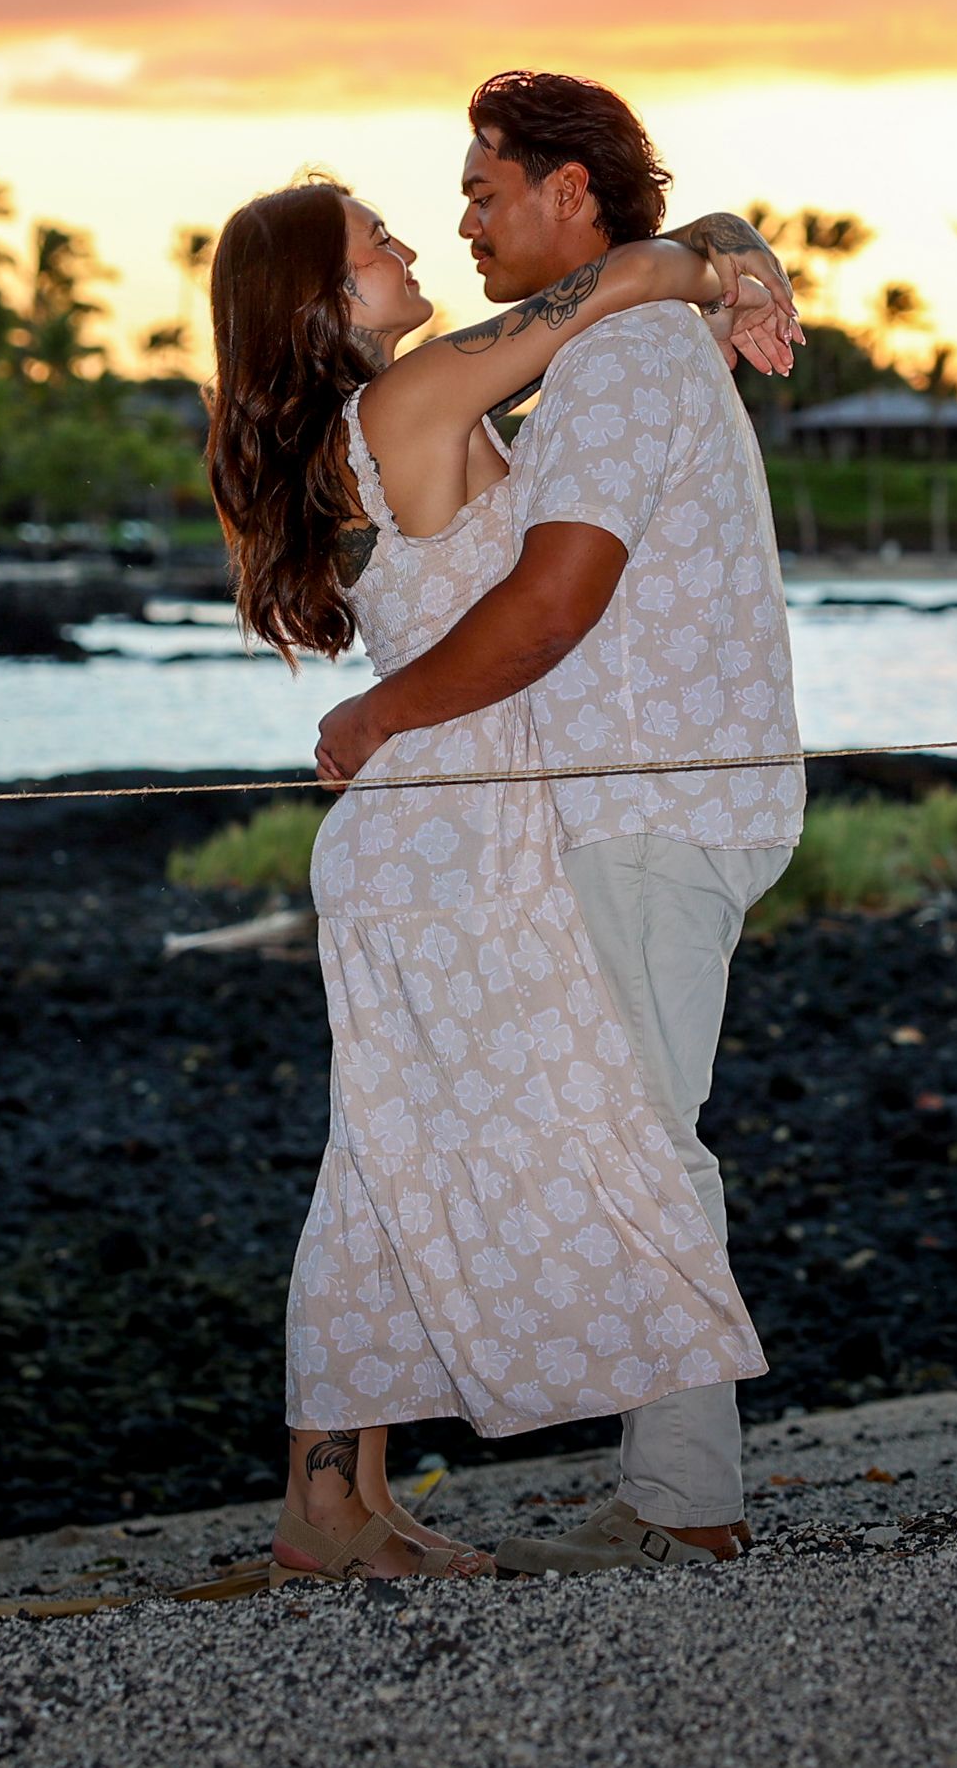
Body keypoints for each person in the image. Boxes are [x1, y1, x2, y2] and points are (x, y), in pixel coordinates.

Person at [202, 164, 799, 1583]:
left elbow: (623, 283)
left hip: (445, 823)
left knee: (385, 1154)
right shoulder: (415, 399)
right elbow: (624, 278)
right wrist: (725, 265)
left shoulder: (384, 420)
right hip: (448, 828)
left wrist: (735, 249)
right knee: (398, 1156)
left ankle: (343, 1504)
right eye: (375, 241)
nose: (412, 244)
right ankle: (336, 1508)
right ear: (324, 297)